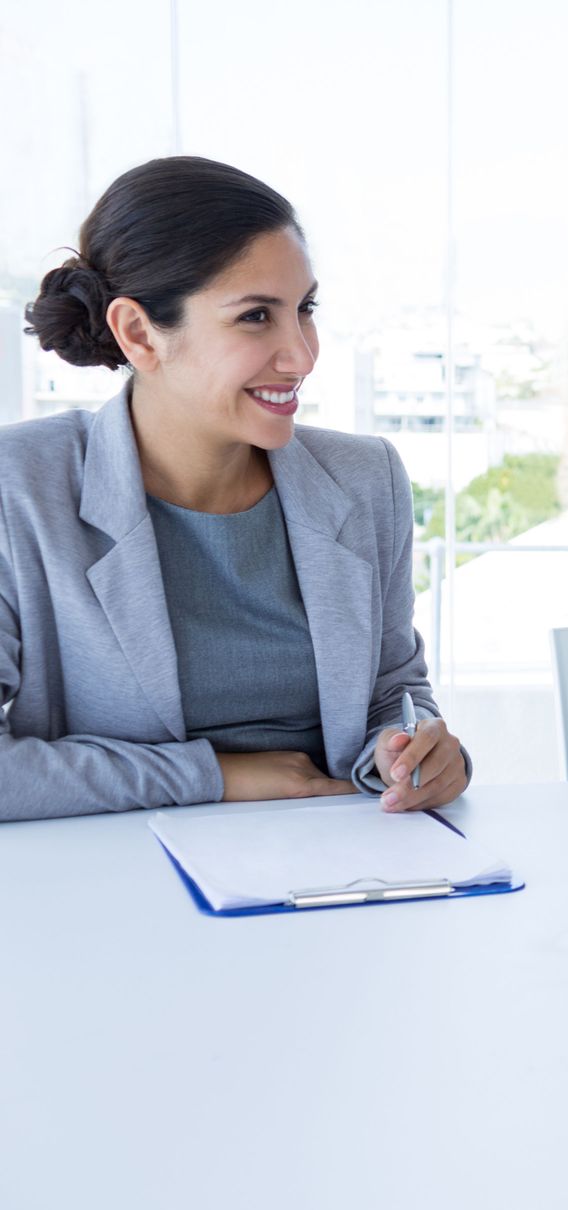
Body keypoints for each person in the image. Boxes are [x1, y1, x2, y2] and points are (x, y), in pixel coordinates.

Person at [1, 156, 467, 823]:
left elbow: (392, 689)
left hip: (344, 857)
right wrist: (214, 777)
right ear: (138, 334)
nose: (302, 355)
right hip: (118, 876)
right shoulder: (20, 487)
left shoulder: (366, 479)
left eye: (304, 310)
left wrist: (409, 753)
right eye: (255, 317)